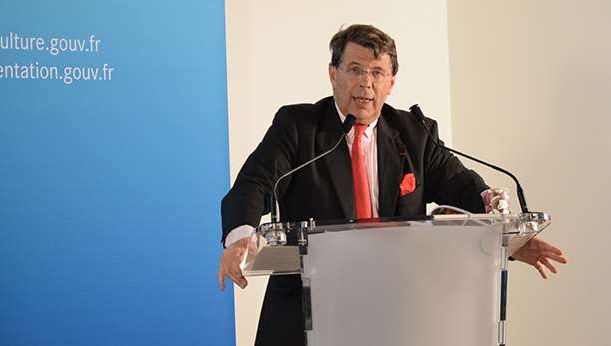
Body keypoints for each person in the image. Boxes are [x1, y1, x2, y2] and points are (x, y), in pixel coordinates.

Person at [218, 24, 566, 346]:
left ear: (391, 83)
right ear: (333, 74)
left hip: (394, 315)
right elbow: (255, 183)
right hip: (308, 313)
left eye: (377, 72)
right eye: (354, 69)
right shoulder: (298, 126)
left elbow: (461, 185)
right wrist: (240, 235)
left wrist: (507, 236)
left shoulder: (414, 132)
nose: (365, 83)